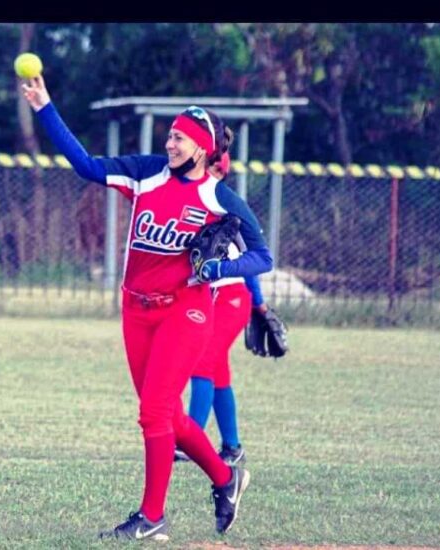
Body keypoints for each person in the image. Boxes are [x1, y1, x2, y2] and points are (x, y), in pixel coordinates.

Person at [21, 75, 273, 542]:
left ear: (200, 148)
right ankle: (225, 477)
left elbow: (264, 256)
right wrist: (45, 107)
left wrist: (218, 268)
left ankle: (151, 516)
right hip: (136, 310)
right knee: (168, 418)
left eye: (179, 137)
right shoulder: (146, 171)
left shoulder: (218, 197)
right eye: (171, 135)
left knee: (154, 412)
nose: (170, 142)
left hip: (188, 310)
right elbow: (86, 166)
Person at [175, 153, 270, 466]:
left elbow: (251, 260)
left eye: (215, 168)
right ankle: (232, 446)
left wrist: (258, 302)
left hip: (231, 298)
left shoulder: (227, 209)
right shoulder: (193, 205)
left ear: (220, 170)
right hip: (211, 299)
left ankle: (193, 439)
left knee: (202, 363)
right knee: (217, 371)